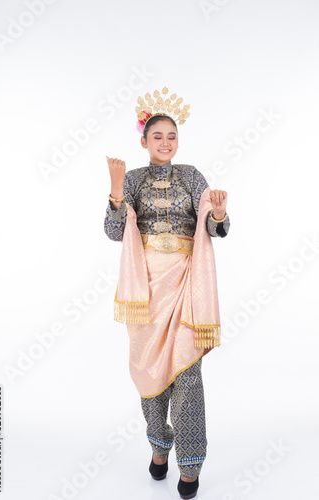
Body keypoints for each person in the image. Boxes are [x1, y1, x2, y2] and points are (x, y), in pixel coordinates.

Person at [103, 87, 230, 499]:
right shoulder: (134, 179)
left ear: (178, 141)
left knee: (188, 376)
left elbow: (211, 223)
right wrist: (117, 192)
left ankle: (190, 464)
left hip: (185, 286)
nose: (165, 143)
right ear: (144, 141)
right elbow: (113, 232)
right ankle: (159, 444)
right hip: (144, 291)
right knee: (147, 372)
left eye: (171, 136)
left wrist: (220, 214)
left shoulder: (193, 176)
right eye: (157, 136)